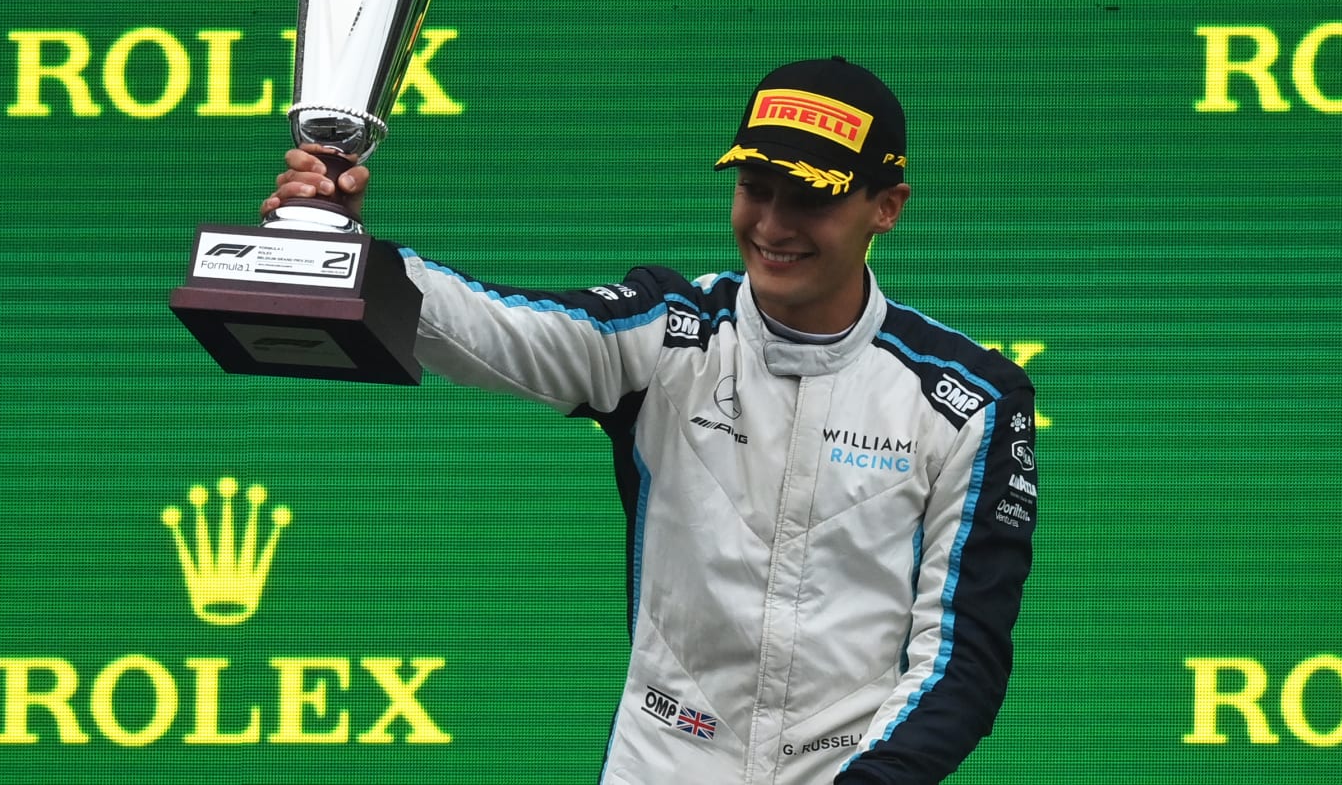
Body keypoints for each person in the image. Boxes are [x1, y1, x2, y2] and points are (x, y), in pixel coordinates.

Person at [262, 56, 1038, 785]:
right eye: (755, 187)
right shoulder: (668, 333)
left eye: (810, 195)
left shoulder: (969, 397)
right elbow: (493, 326)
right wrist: (348, 254)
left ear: (887, 207)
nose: (771, 223)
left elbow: (958, 657)